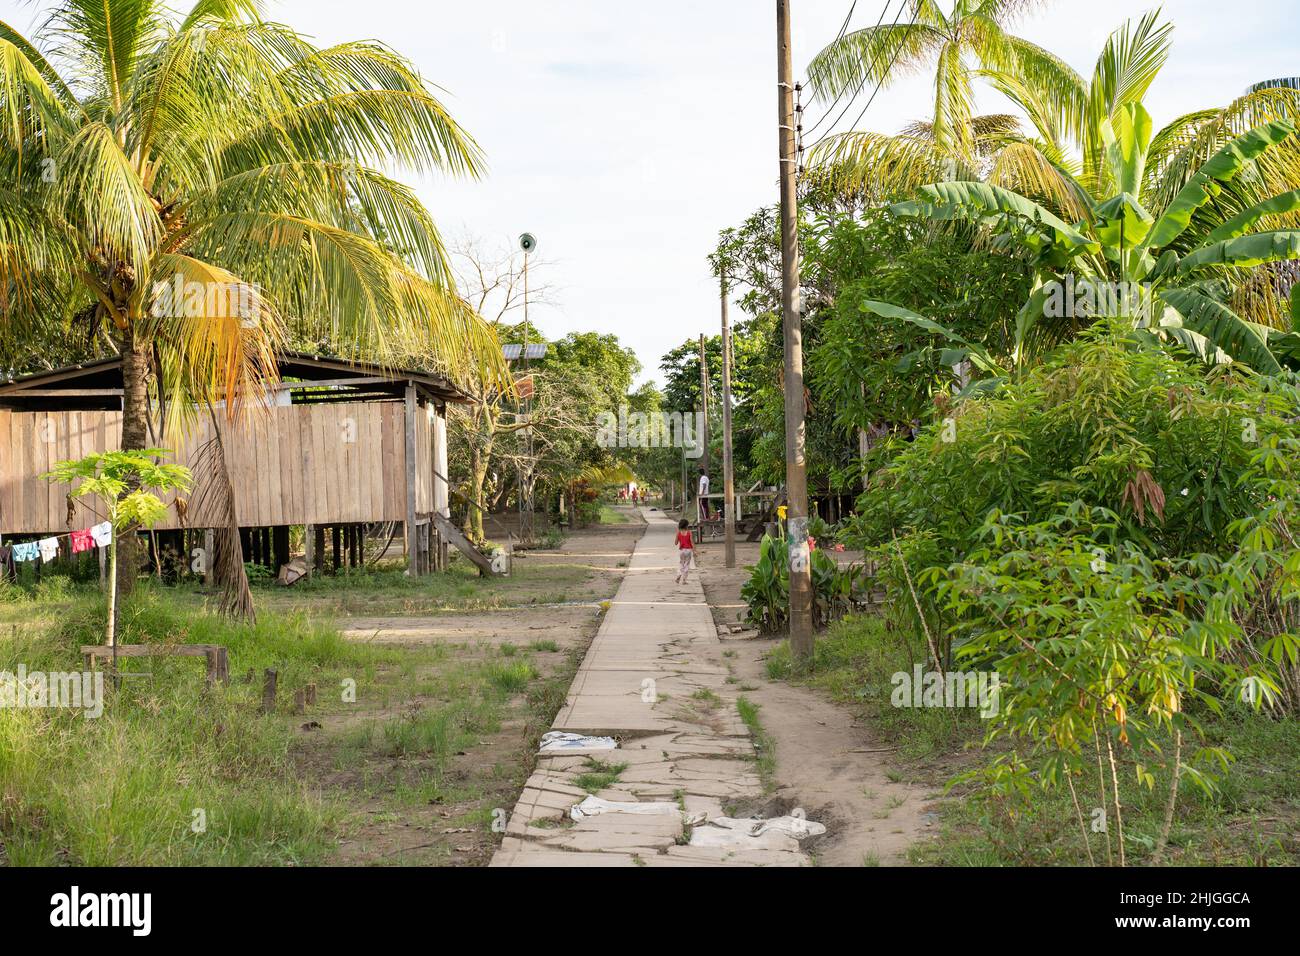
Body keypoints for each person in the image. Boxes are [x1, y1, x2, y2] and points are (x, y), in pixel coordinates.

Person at [674, 518, 694, 584]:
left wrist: (678, 537)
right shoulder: (689, 532)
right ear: (686, 526)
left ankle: (679, 574)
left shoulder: (678, 533)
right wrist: (695, 550)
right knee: (687, 565)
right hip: (688, 551)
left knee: (681, 563)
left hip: (682, 551)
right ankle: (684, 580)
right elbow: (692, 542)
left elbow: (676, 543)